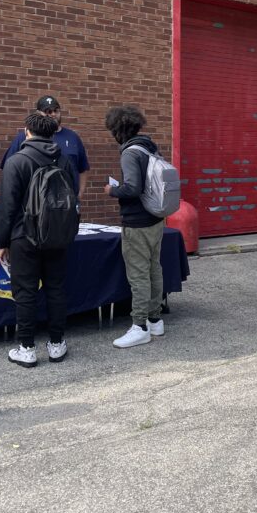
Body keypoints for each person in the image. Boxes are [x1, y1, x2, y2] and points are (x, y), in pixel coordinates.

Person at [0, 110, 77, 367]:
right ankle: (56, 344)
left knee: (25, 292)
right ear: (53, 133)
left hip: (24, 236)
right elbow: (72, 197)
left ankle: (27, 347)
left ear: (26, 131)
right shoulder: (64, 160)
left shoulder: (17, 161)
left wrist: (1, 242)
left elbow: (7, 207)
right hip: (57, 235)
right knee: (56, 289)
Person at [103, 105, 165, 348]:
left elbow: (132, 188)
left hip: (137, 222)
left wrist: (112, 190)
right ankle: (155, 320)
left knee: (138, 274)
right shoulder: (150, 148)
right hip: (155, 219)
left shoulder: (130, 153)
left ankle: (139, 326)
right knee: (154, 269)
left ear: (118, 130)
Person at [1, 95, 90, 202]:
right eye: (48, 111)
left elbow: (83, 167)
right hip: (34, 205)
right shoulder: (24, 137)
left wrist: (80, 193)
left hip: (67, 204)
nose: (53, 114)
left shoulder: (72, 137)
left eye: (56, 111)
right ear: (38, 113)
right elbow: (9, 170)